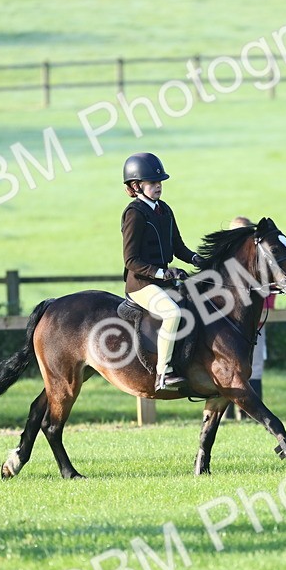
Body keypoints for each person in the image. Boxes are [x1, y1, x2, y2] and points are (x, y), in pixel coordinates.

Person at [120, 151, 203, 392]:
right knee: (173, 314)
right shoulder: (134, 214)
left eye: (160, 183)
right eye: (153, 183)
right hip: (141, 285)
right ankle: (163, 374)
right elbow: (131, 260)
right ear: (136, 186)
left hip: (162, 281)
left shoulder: (164, 209)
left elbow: (178, 247)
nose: (158, 186)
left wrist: (198, 259)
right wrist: (162, 274)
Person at [225, 216, 275, 419]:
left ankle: (250, 416)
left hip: (253, 323)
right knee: (225, 368)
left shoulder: (259, 261)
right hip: (223, 326)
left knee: (254, 366)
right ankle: (227, 414)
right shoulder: (223, 260)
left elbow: (270, 291)